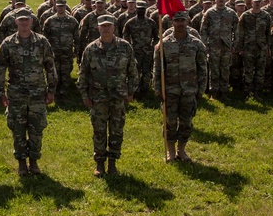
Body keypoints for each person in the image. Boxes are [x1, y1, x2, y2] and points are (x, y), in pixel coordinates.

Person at [0, 13, 57, 175]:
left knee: (37, 129)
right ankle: (21, 162)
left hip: (37, 94)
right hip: (16, 95)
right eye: (20, 20)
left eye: (26, 20)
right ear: (16, 22)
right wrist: (1, 92)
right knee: (18, 129)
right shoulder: (8, 43)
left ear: (31, 22)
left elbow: (50, 67)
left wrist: (51, 90)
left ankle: (34, 161)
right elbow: (1, 69)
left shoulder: (42, 42)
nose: (24, 23)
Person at [78, 14, 139, 175]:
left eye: (109, 26)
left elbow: (133, 71)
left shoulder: (125, 47)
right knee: (99, 131)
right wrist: (84, 94)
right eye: (103, 26)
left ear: (114, 27)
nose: (106, 29)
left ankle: (112, 162)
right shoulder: (91, 49)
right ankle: (99, 163)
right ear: (98, 28)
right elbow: (83, 73)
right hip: (98, 98)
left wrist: (130, 91)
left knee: (116, 130)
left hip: (118, 97)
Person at [152, 10, 207, 162]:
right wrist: (157, 89)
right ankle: (170, 151)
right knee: (169, 122)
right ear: (172, 23)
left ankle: (181, 150)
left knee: (186, 122)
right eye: (177, 21)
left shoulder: (196, 44)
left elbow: (203, 68)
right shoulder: (164, 44)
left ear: (187, 22)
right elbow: (157, 69)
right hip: (169, 90)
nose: (180, 24)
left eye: (183, 20)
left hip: (189, 90)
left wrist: (201, 89)